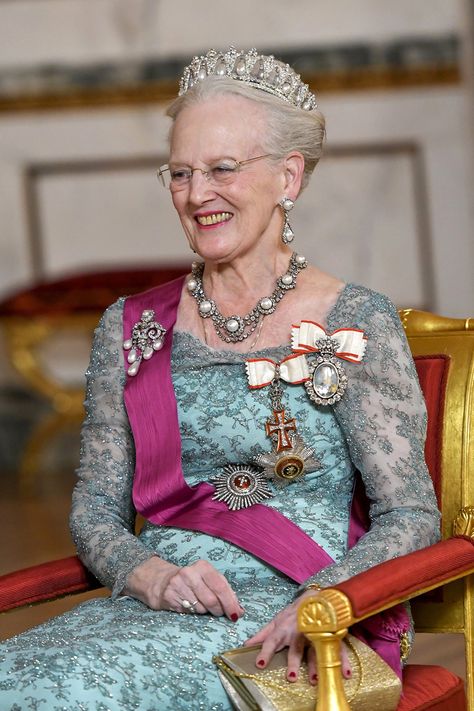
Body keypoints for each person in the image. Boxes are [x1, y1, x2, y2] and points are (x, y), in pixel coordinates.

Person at [0, 47, 440, 710]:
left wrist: (326, 601)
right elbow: (95, 512)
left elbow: (409, 514)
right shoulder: (131, 326)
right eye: (180, 173)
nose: (198, 193)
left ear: (288, 176)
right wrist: (145, 572)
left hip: (286, 621)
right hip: (151, 603)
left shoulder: (353, 320)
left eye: (222, 169)